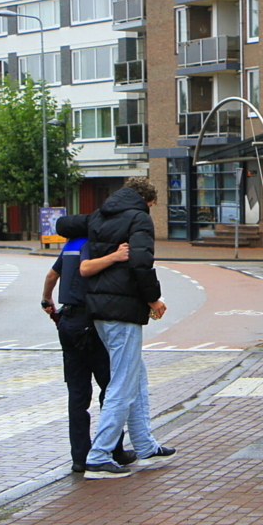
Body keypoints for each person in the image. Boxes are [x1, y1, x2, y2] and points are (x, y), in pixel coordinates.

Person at [79, 178, 175, 480]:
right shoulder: (139, 219)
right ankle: (99, 455)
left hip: (99, 309)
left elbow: (67, 224)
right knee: (122, 381)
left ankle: (144, 444)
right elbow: (141, 263)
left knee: (136, 373)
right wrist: (153, 300)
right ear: (146, 200)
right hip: (123, 311)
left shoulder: (99, 216)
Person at [41, 236, 136, 473]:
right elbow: (88, 270)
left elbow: (52, 276)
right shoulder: (95, 245)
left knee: (77, 394)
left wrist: (47, 299)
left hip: (68, 322)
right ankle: (113, 450)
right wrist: (115, 256)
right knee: (110, 388)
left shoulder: (71, 245)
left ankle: (79, 457)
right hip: (90, 323)